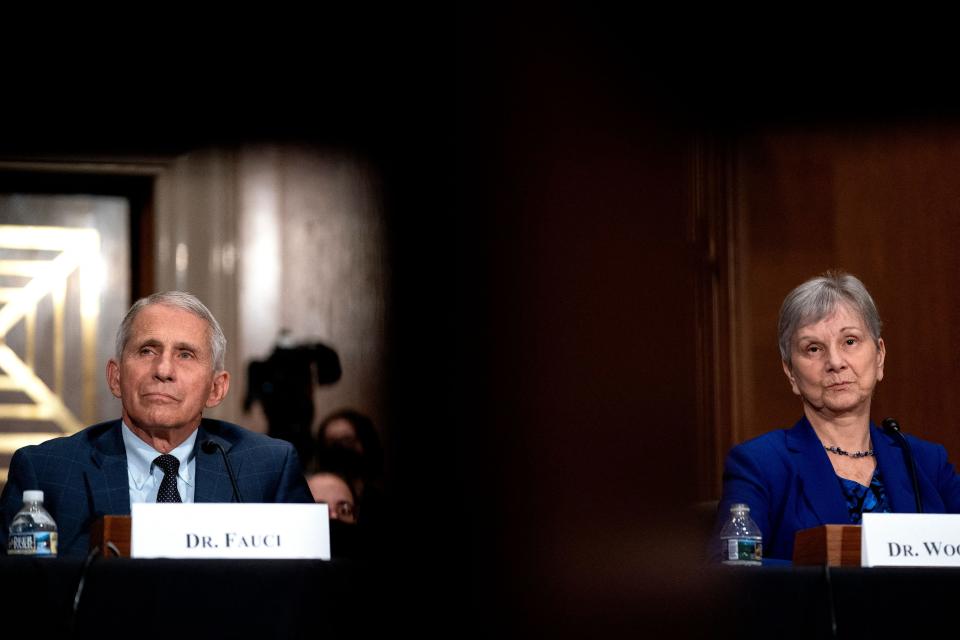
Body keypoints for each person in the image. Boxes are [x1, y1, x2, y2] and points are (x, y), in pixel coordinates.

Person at [0, 291, 313, 557]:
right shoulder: (46, 473)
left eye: (186, 355)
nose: (163, 369)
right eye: (147, 350)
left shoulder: (268, 468)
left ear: (216, 388)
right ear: (116, 377)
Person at [714, 271, 960, 562]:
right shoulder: (760, 464)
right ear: (790, 372)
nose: (835, 362)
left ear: (879, 355)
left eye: (850, 341)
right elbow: (730, 570)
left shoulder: (927, 463)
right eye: (813, 349)